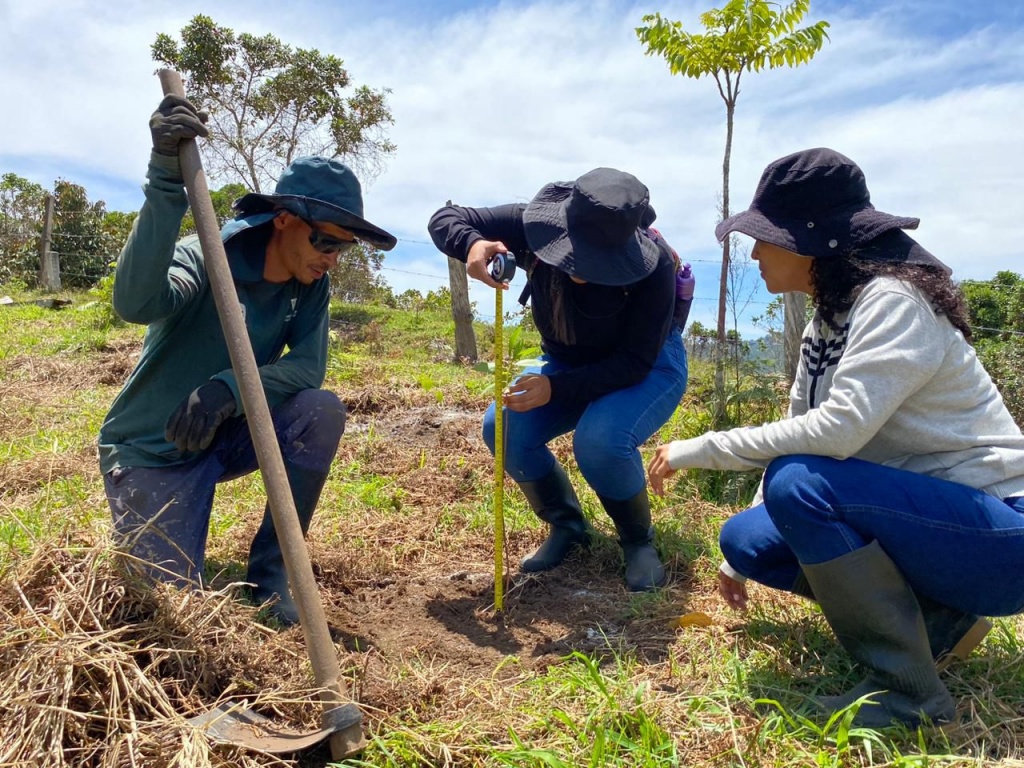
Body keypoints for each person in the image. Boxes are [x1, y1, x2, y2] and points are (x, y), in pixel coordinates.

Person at [648, 147, 1024, 728]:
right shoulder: (830, 318)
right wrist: (743, 555)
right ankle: (941, 623)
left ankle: (910, 697)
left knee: (800, 482)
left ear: (810, 241)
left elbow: (837, 433)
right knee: (748, 538)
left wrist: (698, 449)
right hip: (935, 520)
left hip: (1001, 534)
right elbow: (797, 431)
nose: (754, 252)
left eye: (765, 237)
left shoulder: (893, 301)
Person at [99, 95, 396, 626]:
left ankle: (272, 574)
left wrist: (226, 389)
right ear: (283, 221)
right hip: (153, 447)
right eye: (325, 242)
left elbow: (308, 368)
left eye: (342, 249)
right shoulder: (205, 256)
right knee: (166, 613)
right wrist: (167, 177)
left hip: (227, 430)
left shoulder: (311, 287)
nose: (332, 260)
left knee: (318, 410)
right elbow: (134, 304)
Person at [428, 168, 689, 591]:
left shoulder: (654, 266)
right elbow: (445, 219)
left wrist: (556, 389)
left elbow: (634, 362)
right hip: (565, 361)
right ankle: (568, 527)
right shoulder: (531, 224)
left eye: (598, 261)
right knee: (503, 426)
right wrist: (472, 243)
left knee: (600, 440)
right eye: (574, 253)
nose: (580, 269)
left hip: (647, 367)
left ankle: (638, 542)